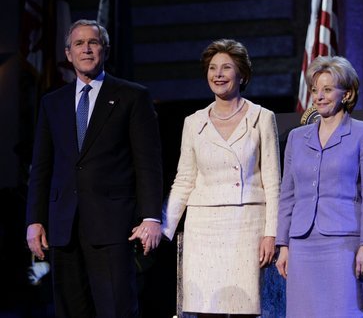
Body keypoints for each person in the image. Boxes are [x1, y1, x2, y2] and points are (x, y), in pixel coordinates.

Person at [25, 19, 163, 318]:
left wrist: (152, 216)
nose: (86, 49)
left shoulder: (132, 96)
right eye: (79, 43)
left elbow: (148, 163)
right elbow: (42, 168)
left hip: (113, 226)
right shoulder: (53, 103)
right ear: (68, 53)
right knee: (71, 311)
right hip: (63, 228)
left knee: (116, 309)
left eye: (94, 42)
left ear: (105, 50)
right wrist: (34, 220)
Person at [163, 39, 281, 317]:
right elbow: (184, 180)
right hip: (203, 228)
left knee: (244, 308)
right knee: (206, 307)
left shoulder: (262, 117)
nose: (218, 74)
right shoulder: (193, 122)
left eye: (226, 67)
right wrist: (163, 228)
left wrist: (271, 233)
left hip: (247, 225)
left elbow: (274, 182)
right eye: (213, 68)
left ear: (242, 74)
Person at [275, 55, 363, 317]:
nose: (319, 96)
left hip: (344, 243)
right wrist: (284, 245)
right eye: (315, 90)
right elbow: (287, 195)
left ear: (346, 94)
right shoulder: (296, 138)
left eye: (327, 89)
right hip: (301, 242)